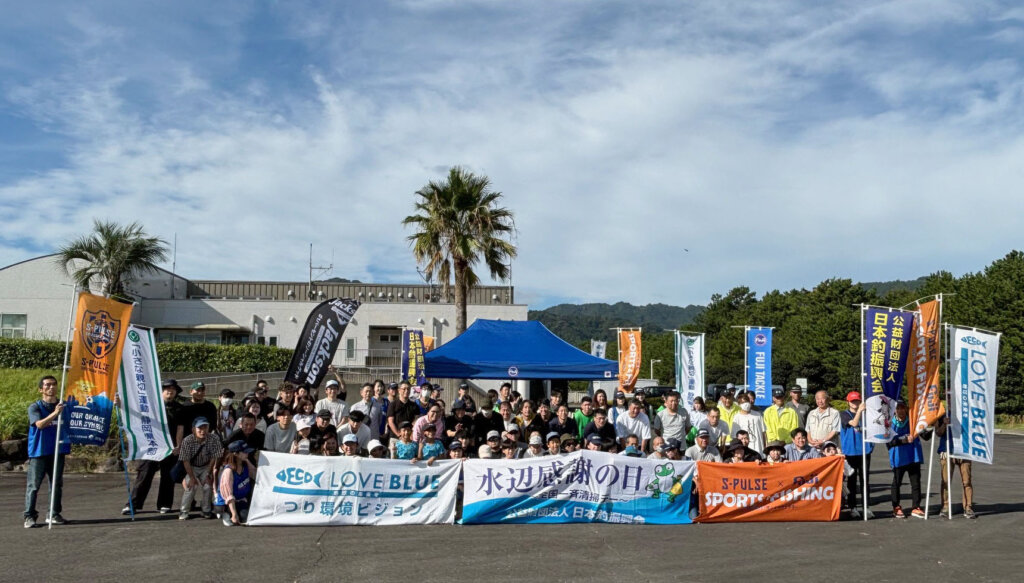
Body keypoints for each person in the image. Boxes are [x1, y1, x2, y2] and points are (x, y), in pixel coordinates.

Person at [122, 378, 184, 516]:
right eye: (167, 389)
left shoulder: (179, 408)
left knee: (168, 476)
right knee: (144, 474)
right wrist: (119, 403)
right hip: (152, 445)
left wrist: (178, 445)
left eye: (173, 390)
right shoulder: (151, 406)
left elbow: (180, 427)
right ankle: (133, 504)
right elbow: (134, 413)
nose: (170, 392)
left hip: (170, 447)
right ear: (161, 391)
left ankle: (164, 504)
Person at [24, 375, 71, 528]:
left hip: (58, 450)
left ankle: (53, 513)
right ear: (41, 389)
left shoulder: (63, 406)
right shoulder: (35, 407)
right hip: (39, 451)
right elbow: (39, 424)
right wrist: (55, 413)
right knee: (34, 486)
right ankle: (29, 516)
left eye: (54, 384)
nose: (51, 387)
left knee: (56, 484)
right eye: (47, 385)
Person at [179, 417, 223, 520]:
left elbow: (215, 457)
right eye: (200, 428)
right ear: (193, 429)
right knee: (191, 486)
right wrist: (191, 477)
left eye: (205, 428)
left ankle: (206, 510)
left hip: (206, 466)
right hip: (192, 466)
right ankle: (184, 510)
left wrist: (208, 473)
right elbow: (186, 461)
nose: (203, 431)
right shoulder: (187, 440)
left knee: (208, 485)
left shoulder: (214, 438)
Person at [839, 391, 874, 519]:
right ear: (848, 402)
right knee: (852, 482)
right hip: (850, 452)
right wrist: (859, 411)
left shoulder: (867, 416)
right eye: (852, 401)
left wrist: (871, 446)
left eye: (857, 401)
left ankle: (866, 507)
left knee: (865, 481)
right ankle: (853, 507)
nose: (855, 403)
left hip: (864, 451)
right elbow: (853, 423)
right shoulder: (844, 414)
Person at [888, 400, 925, 519]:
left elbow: (926, 436)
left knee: (916, 483)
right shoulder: (890, 424)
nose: (901, 410)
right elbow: (890, 442)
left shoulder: (913, 421)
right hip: (898, 457)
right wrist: (904, 440)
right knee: (897, 483)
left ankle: (916, 507)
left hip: (913, 456)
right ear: (895, 410)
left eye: (903, 408)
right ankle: (896, 507)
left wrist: (931, 423)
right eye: (898, 408)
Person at [934, 413, 975, 519]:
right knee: (945, 481)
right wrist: (944, 424)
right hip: (947, 450)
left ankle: (968, 507)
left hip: (964, 450)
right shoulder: (942, 413)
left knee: (967, 481)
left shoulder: (966, 410)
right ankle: (945, 506)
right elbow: (938, 433)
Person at [215, 440, 256, 526]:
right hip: (226, 502)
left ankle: (237, 512)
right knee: (232, 522)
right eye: (244, 452)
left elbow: (255, 474)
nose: (247, 454)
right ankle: (225, 513)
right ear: (236, 454)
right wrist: (234, 514)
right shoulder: (228, 471)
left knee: (246, 519)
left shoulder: (246, 466)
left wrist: (247, 461)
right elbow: (228, 494)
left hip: (240, 499)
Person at [729, 392, 767, 456]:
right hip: (744, 452)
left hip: (758, 450)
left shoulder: (758, 415)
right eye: (743, 403)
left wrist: (765, 446)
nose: (746, 404)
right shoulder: (737, 417)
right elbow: (734, 437)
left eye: (747, 401)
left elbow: (764, 433)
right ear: (739, 404)